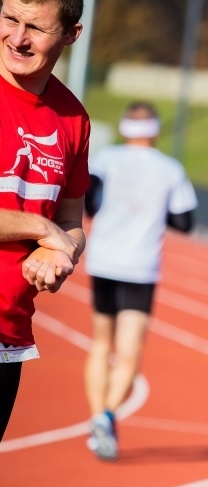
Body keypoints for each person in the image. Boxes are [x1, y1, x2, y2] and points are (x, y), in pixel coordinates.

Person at [82, 101, 198, 461]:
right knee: (129, 350)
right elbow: (185, 222)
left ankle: (97, 413)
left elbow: (89, 203)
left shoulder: (105, 159)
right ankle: (106, 415)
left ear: (123, 129)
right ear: (156, 131)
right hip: (140, 266)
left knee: (101, 343)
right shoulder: (169, 169)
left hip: (102, 261)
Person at [0, 0, 89, 441]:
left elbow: (71, 220)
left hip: (9, 335)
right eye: (9, 19)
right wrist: (41, 229)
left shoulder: (74, 118)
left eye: (35, 27)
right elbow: (49, 224)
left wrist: (62, 252)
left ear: (71, 34)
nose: (17, 38)